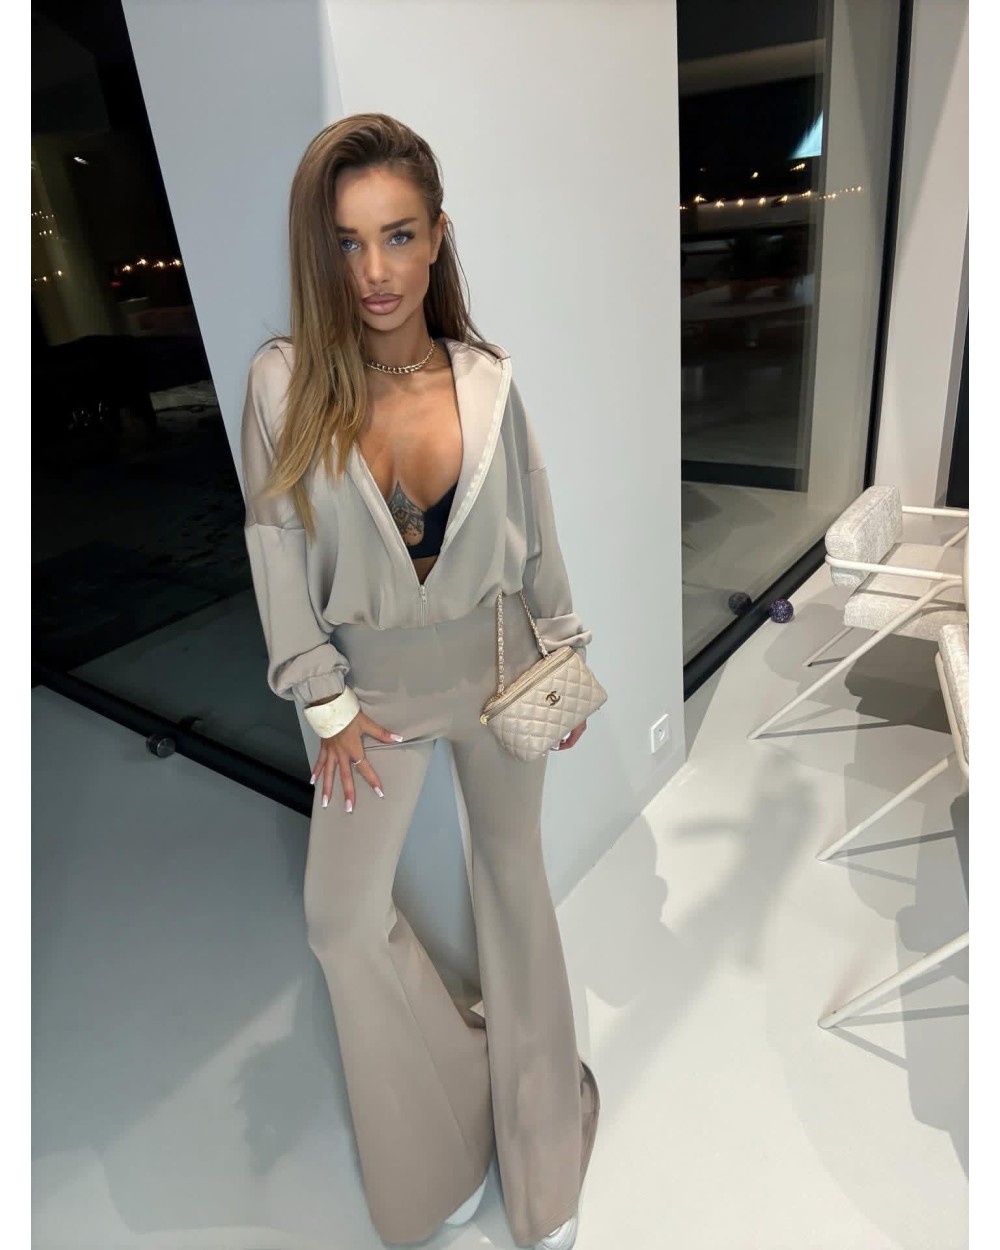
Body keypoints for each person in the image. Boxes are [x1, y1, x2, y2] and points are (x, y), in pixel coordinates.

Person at [240, 113, 599, 1250]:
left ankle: (543, 1156)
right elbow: (273, 547)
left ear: (438, 236)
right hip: (374, 696)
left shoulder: (488, 380)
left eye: (398, 235)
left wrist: (564, 650)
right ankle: (445, 1117)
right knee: (341, 921)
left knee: (513, 890)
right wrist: (325, 698)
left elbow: (537, 526)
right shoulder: (285, 382)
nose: (376, 271)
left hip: (501, 665)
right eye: (348, 243)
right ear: (322, 251)